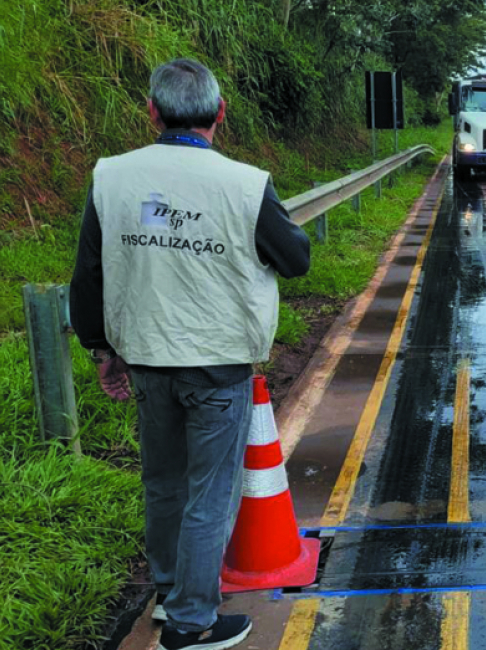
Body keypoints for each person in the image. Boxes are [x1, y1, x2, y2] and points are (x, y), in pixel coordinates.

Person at [70, 58, 311, 650]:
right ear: (220, 113)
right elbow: (296, 258)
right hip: (217, 363)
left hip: (147, 360)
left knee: (164, 483)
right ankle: (192, 622)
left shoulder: (112, 177)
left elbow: (89, 277)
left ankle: (172, 593)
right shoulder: (246, 183)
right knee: (210, 494)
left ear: (151, 111)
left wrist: (103, 352)